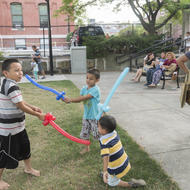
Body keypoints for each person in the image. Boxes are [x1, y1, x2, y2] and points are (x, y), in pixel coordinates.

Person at [0, 59, 45, 190]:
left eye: (21, 70)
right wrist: (38, 115)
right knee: (5, 154)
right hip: (9, 130)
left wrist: (33, 106)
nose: (20, 73)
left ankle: (28, 168)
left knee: (25, 147)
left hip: (18, 127)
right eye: (16, 70)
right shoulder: (11, 86)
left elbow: (19, 101)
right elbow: (20, 105)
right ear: (6, 73)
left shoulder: (8, 83)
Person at [98, 115, 146, 188]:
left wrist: (105, 171)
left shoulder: (105, 143)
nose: (97, 128)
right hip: (124, 161)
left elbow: (106, 157)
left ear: (104, 130)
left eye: (98, 126)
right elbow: (108, 124)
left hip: (117, 166)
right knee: (110, 177)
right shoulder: (114, 133)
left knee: (111, 183)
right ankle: (108, 176)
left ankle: (131, 184)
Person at [64, 69, 101, 154]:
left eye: (91, 79)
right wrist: (68, 100)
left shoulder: (95, 89)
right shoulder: (84, 88)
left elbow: (85, 98)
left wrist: (71, 100)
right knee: (85, 133)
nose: (88, 80)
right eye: (87, 77)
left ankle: (103, 147)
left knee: (97, 134)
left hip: (95, 116)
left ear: (97, 80)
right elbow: (79, 99)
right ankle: (87, 148)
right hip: (86, 116)